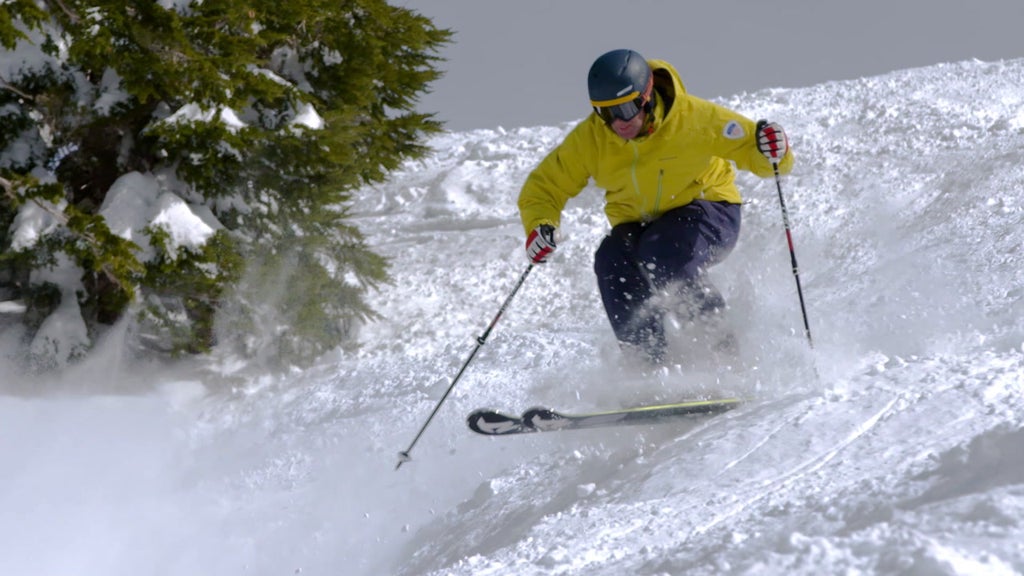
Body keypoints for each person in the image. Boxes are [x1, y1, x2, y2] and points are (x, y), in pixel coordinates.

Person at [518, 48, 794, 364]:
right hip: (638, 225)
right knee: (611, 261)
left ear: (646, 96)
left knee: (662, 250)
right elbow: (544, 186)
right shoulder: (592, 138)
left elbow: (757, 152)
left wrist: (774, 149)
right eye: (605, 112)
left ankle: (722, 357)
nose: (617, 122)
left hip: (708, 211)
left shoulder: (693, 118)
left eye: (626, 107)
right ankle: (647, 366)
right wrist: (540, 224)